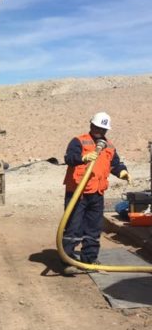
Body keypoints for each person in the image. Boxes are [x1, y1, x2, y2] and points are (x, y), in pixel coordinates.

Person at [61, 112, 132, 275]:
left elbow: (115, 164)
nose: (100, 131)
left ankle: (89, 258)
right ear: (91, 125)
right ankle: (67, 260)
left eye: (103, 129)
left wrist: (122, 172)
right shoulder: (78, 141)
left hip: (97, 193)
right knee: (73, 227)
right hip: (77, 193)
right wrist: (83, 157)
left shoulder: (109, 146)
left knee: (93, 228)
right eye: (98, 127)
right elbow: (69, 158)